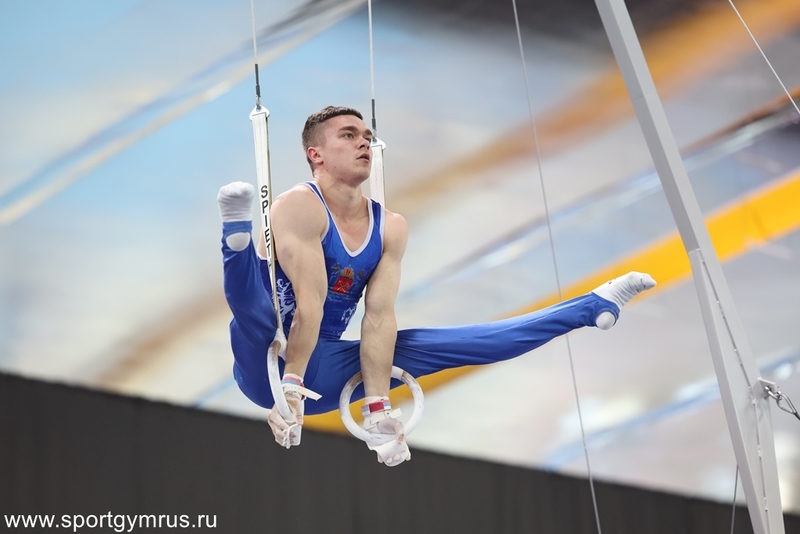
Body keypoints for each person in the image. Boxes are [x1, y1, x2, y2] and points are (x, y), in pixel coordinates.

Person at [218, 105, 656, 467]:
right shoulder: (299, 205)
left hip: (324, 369)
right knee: (256, 314)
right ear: (315, 154)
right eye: (348, 136)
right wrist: (290, 387)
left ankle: (590, 307)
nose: (363, 143)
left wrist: (377, 410)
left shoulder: (390, 227)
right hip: (269, 359)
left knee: (458, 343)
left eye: (367, 136)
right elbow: (309, 304)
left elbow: (379, 319)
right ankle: (235, 238)